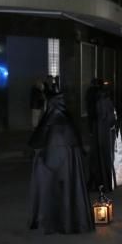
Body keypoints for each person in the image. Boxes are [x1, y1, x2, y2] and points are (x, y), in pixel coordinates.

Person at [28, 86, 95, 234]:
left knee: (53, 192)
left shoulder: (50, 122)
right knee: (67, 192)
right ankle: (70, 220)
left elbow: (37, 145)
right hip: (66, 169)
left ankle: (52, 220)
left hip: (52, 170)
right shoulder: (67, 121)